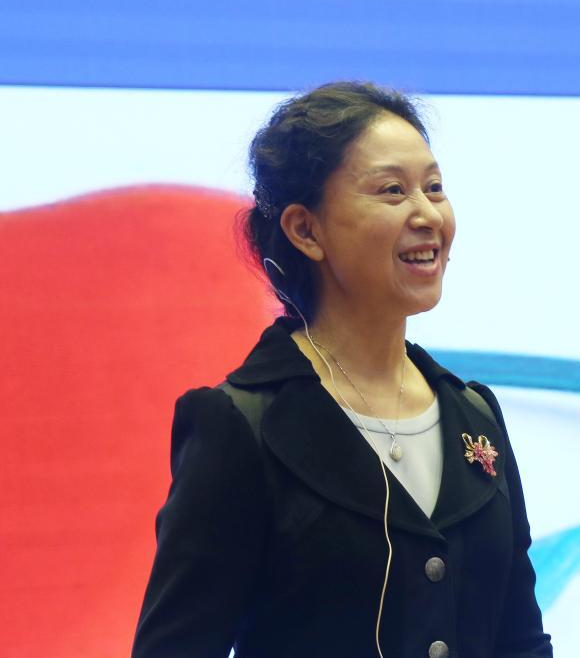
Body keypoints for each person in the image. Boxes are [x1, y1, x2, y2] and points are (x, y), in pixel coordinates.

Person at [132, 82, 553, 658]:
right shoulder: (242, 424)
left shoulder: (474, 416)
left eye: (434, 187)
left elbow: (520, 641)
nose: (427, 214)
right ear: (306, 230)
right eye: (392, 190)